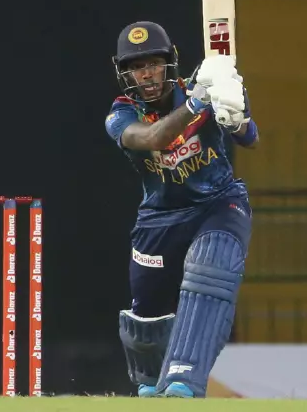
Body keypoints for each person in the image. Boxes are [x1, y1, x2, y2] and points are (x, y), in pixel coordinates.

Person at [104, 21, 258, 398]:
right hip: (159, 218)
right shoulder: (121, 114)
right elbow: (154, 137)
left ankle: (184, 378)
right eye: (137, 67)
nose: (147, 74)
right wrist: (197, 104)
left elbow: (250, 138)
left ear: (169, 62)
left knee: (210, 271)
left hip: (217, 202)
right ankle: (154, 383)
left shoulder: (203, 89)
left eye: (153, 64)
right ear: (124, 73)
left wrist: (236, 113)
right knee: (147, 321)